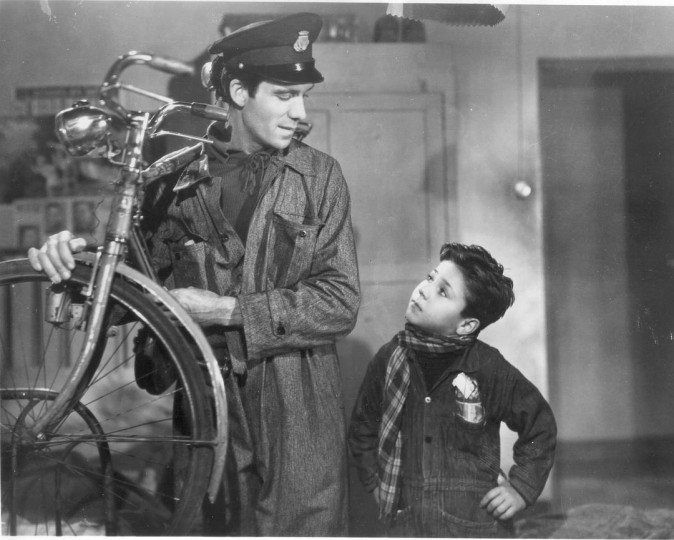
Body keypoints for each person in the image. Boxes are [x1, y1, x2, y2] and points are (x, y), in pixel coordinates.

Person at [27, 12, 360, 536]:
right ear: (238, 92)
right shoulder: (168, 183)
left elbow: (339, 301)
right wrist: (72, 266)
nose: (300, 113)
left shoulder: (319, 178)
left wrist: (226, 310)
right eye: (284, 95)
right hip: (207, 404)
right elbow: (124, 294)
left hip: (299, 408)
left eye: (304, 96)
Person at [348, 243, 556, 538]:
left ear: (466, 325)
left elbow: (540, 426)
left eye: (443, 292)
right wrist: (374, 483)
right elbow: (363, 428)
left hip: (474, 524)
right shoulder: (389, 359)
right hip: (407, 524)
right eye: (430, 278)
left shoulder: (488, 367)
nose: (424, 290)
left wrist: (521, 489)